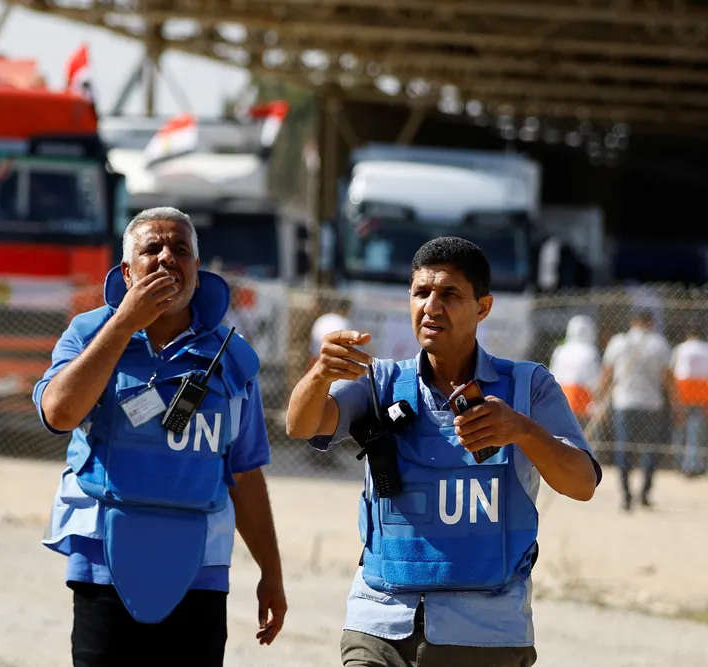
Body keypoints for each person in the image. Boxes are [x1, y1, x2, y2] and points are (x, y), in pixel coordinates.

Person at [285, 236, 601, 667]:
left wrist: (521, 430)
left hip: (486, 634)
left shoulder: (529, 387)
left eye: (450, 294)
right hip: (379, 622)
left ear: (483, 308)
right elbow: (301, 425)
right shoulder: (379, 382)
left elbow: (582, 484)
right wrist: (320, 374)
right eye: (421, 293)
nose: (432, 306)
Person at [34, 206, 287, 667]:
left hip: (200, 568)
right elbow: (60, 412)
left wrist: (271, 572)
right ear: (127, 271)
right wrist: (124, 324)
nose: (168, 257)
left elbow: (246, 471)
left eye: (181, 250)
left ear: (196, 269)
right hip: (105, 563)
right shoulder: (87, 333)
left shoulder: (232, 355)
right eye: (153, 249)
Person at [596, 310, 674, 511]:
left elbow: (607, 373)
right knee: (650, 448)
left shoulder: (619, 342)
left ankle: (626, 495)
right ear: (651, 322)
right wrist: (676, 403)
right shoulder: (659, 344)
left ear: (633, 321)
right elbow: (667, 378)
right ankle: (645, 493)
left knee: (623, 447)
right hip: (651, 403)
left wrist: (599, 397)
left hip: (624, 401)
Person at [549, 314, 602, 426]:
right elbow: (594, 381)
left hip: (560, 399)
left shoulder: (560, 351)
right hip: (582, 403)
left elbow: (553, 375)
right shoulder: (590, 351)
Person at [670, 325, 708, 477]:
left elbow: (672, 370)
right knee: (697, 430)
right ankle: (694, 464)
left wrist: (673, 397)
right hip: (702, 391)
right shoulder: (706, 349)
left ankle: (679, 462)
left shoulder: (680, 349)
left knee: (679, 429)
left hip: (683, 390)